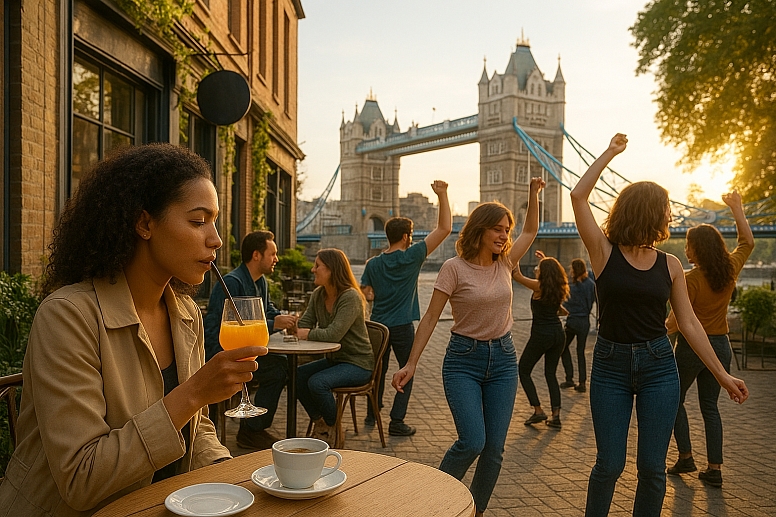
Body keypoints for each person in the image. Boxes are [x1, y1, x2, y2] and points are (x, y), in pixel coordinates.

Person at [0, 144, 264, 516]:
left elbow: (198, 431)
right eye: (198, 220)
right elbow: (81, 480)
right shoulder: (67, 317)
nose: (216, 238)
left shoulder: (185, 312)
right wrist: (192, 394)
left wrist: (232, 480)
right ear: (144, 224)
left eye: (215, 221)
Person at [570, 133, 748, 517]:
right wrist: (610, 151)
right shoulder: (602, 252)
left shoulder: (670, 265)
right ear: (647, 212)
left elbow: (689, 324)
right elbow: (578, 196)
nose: (669, 217)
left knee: (652, 469)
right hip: (610, 367)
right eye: (665, 209)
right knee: (609, 465)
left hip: (658, 367)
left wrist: (721, 375)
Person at [392, 177, 546, 517]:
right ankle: (432, 502)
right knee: (473, 441)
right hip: (464, 361)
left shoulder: (505, 263)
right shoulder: (453, 268)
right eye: (498, 229)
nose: (505, 236)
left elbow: (531, 230)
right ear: (479, 230)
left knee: (494, 450)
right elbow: (431, 318)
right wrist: (412, 364)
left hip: (504, 360)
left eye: (507, 230)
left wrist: (532, 194)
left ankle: (474, 511)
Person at [665, 191, 754, 488]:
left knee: (674, 401)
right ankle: (714, 468)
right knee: (710, 407)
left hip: (692, 349)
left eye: (689, 247)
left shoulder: (690, 280)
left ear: (699, 249)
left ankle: (686, 456)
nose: (687, 251)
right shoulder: (730, 270)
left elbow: (678, 321)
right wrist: (737, 208)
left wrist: (659, 333)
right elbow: (747, 242)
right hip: (721, 346)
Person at [360, 180, 452, 437]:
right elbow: (445, 228)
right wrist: (442, 194)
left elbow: (367, 294)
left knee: (377, 371)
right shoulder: (412, 256)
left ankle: (372, 413)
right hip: (401, 326)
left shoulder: (372, 264)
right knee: (406, 370)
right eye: (410, 235)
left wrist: (376, 292)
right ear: (405, 237)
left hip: (377, 326)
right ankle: (396, 421)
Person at [203, 230, 297, 450]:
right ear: (256, 255)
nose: (277, 258)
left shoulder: (260, 281)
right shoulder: (233, 282)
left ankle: (253, 428)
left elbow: (266, 311)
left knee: (280, 365)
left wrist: (281, 318)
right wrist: (274, 324)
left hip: (247, 348)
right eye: (272, 253)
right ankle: (251, 431)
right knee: (277, 367)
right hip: (224, 352)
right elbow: (221, 327)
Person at [295, 248, 375, 445]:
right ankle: (321, 423)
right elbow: (304, 324)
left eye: (317, 266)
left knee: (317, 383)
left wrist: (307, 334)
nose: (313, 270)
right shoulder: (318, 294)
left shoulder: (350, 297)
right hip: (335, 360)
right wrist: (300, 329)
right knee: (296, 376)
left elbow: (333, 334)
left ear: (332, 270)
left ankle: (333, 426)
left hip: (358, 363)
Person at [513, 251, 569, 429]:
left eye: (538, 268)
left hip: (541, 334)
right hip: (558, 334)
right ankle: (556, 416)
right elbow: (559, 310)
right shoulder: (558, 287)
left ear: (544, 273)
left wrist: (515, 253)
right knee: (550, 374)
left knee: (523, 369)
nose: (536, 270)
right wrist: (545, 260)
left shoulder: (539, 286)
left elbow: (516, 275)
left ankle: (538, 410)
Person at [559, 258, 596, 392]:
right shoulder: (591, 284)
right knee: (580, 352)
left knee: (563, 347)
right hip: (584, 322)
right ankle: (582, 382)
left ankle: (569, 378)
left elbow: (565, 304)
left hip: (573, 321)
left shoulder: (573, 287)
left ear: (574, 270)